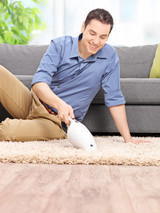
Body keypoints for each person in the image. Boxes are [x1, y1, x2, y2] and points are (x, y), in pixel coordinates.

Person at [0, 8, 149, 144]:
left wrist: (128, 139)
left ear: (108, 36)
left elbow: (115, 99)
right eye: (92, 33)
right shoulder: (60, 45)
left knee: (7, 130)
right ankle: (27, 126)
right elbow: (39, 84)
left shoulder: (110, 58)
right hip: (32, 101)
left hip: (56, 122)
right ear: (83, 27)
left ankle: (26, 127)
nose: (96, 41)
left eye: (103, 37)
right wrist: (61, 104)